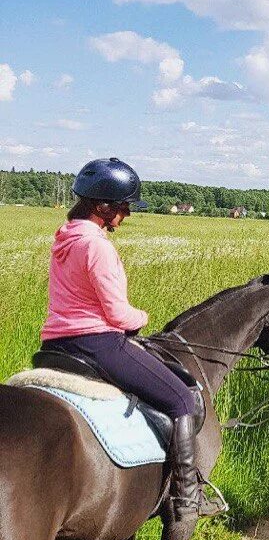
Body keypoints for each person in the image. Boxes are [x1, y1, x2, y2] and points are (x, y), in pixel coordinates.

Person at [39, 157, 221, 519]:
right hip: (97, 343)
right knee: (182, 398)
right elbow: (118, 315)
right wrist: (142, 317)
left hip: (55, 345)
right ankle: (187, 495)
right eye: (123, 206)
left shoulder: (65, 238)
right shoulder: (98, 247)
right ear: (102, 207)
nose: (128, 213)